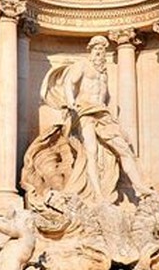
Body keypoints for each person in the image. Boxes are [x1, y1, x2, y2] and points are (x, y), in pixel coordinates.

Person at [61, 36, 149, 199]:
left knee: (124, 149)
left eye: (102, 49)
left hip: (103, 114)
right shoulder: (82, 66)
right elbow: (69, 83)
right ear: (91, 50)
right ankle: (98, 194)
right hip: (85, 112)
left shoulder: (104, 73)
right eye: (96, 48)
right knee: (91, 152)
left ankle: (140, 187)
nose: (99, 52)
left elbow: (106, 97)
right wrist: (71, 101)